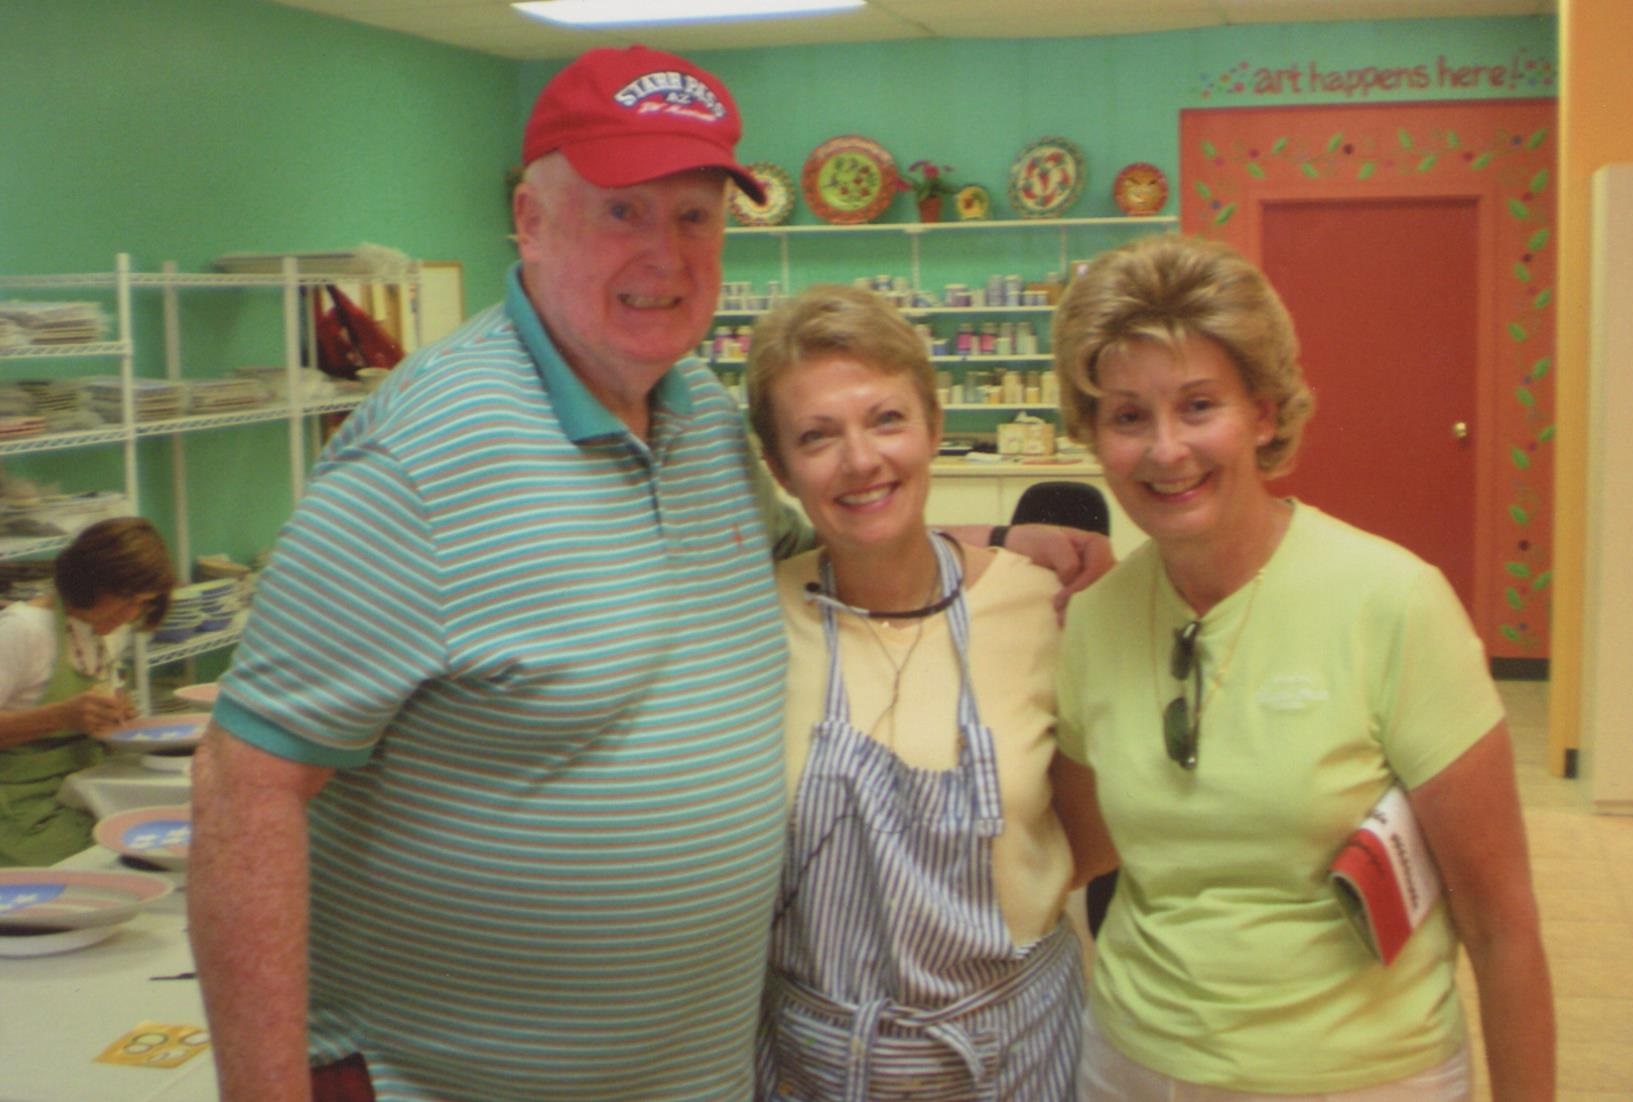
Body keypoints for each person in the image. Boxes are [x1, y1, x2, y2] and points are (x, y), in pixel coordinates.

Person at [187, 45, 1109, 1102]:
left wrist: (995, 540)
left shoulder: (700, 416)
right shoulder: (423, 460)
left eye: (694, 216)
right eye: (622, 210)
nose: (664, 255)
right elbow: (244, 786)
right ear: (530, 221)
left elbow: (810, 548)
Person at [1051, 234, 1554, 1101]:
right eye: (1128, 416)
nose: (1166, 449)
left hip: (1363, 1075)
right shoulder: (1097, 622)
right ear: (1093, 436)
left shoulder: (1391, 602)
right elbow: (1074, 851)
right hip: (1132, 1064)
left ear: (1263, 412)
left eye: (1198, 405)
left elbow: (1501, 925)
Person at [745, 284, 1112, 1100]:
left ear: (934, 427)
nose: (861, 460)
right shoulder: (750, 622)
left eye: (886, 419)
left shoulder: (1043, 607)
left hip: (1019, 1056)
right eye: (817, 436)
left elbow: (1092, 838)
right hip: (816, 1063)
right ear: (778, 468)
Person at [0, 516, 173, 865]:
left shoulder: (107, 630)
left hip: (82, 797)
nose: (131, 614)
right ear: (89, 582)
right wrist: (58, 717)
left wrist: (115, 715)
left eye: (143, 603)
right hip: (20, 817)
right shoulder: (22, 632)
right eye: (127, 599)